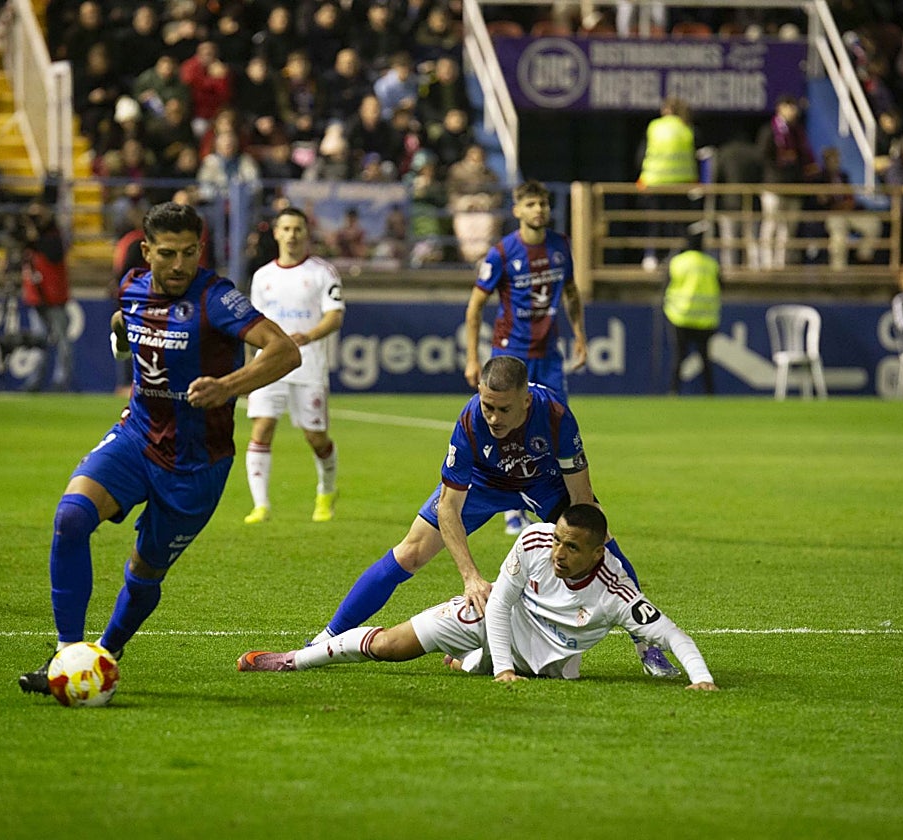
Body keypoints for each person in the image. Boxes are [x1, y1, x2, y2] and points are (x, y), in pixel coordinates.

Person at [18, 202, 301, 696]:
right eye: (167, 254)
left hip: (197, 464)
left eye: (189, 253)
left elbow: (284, 350)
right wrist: (120, 336)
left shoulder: (217, 298)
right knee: (70, 517)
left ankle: (107, 650)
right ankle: (66, 655)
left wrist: (229, 386)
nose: (179, 265)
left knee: (144, 570)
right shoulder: (130, 285)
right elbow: (122, 323)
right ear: (146, 250)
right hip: (137, 437)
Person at [307, 355, 680, 679]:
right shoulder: (470, 421)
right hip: (485, 483)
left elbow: (581, 497)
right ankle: (328, 636)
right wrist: (470, 577)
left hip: (542, 481)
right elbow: (449, 507)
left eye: (504, 409)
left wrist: (582, 543)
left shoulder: (555, 416)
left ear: (526, 400)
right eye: (488, 406)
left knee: (605, 543)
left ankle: (645, 643)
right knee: (410, 552)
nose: (494, 417)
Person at [239, 504, 717, 690]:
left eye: (572, 547)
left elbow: (674, 635)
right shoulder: (533, 542)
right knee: (389, 647)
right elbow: (502, 605)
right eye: (558, 540)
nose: (559, 552)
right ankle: (293, 660)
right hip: (488, 617)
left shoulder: (617, 592)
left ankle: (471, 661)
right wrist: (504, 666)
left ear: (598, 553)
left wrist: (701, 681)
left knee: (481, 663)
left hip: (545, 663)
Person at [463, 180, 587, 534]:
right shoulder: (502, 253)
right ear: (517, 210)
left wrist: (580, 335)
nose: (539, 210)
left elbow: (572, 293)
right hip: (511, 355)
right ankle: (512, 507)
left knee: (556, 426)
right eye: (531, 204)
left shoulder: (561, 246)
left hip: (548, 354)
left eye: (544, 203)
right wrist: (473, 358)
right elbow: (475, 307)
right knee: (505, 430)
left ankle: (555, 504)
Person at [243, 207, 345, 524]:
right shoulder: (262, 277)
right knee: (262, 428)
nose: (291, 235)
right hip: (267, 363)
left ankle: (326, 491)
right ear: (275, 233)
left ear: (306, 233)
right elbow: (253, 325)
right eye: (285, 228)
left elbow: (335, 315)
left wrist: (310, 335)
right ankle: (261, 506)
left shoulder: (322, 272)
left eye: (297, 229)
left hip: (308, 364)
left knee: (316, 437)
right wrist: (249, 368)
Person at [636, 96, 698, 271]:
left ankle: (650, 257)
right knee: (676, 222)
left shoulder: (654, 126)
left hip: (654, 182)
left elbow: (642, 154)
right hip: (680, 184)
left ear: (666, 110)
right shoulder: (688, 129)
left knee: (654, 221)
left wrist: (643, 177)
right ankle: (675, 257)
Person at [17, 199, 73, 392]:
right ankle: (35, 380)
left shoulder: (54, 237)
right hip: (36, 297)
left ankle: (61, 381)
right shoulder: (28, 239)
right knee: (38, 342)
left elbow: (54, 253)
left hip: (54, 298)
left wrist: (36, 234)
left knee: (62, 341)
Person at [757, 95, 818, 269]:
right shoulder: (769, 130)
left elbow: (804, 158)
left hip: (793, 187)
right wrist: (781, 163)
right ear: (780, 108)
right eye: (789, 106)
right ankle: (767, 263)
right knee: (771, 225)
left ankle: (781, 263)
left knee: (788, 229)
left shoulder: (797, 132)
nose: (794, 110)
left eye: (795, 106)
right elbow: (762, 156)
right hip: (773, 186)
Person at [664, 223, 721, 395]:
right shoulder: (711, 264)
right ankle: (710, 393)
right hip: (705, 320)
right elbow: (720, 286)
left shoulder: (678, 262)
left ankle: (674, 392)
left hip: (680, 317)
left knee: (679, 358)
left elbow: (666, 286)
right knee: (705, 359)